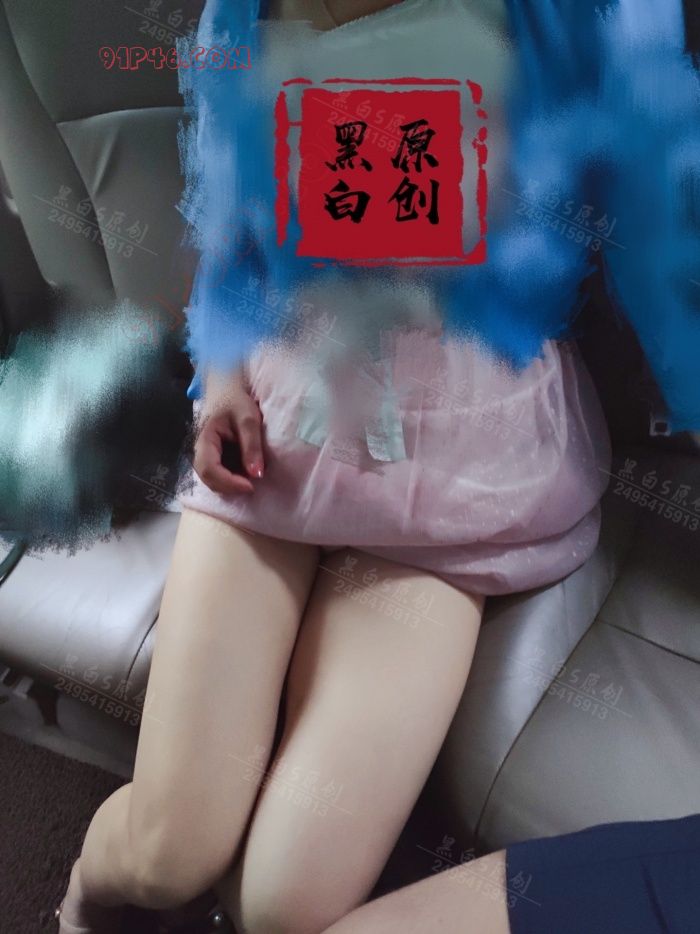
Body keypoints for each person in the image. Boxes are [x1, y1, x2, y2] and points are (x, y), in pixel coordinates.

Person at [56, 0, 696, 931]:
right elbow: (229, 223)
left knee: (284, 907)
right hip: (273, 441)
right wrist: (221, 376)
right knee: (167, 852)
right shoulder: (240, 17)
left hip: (454, 481)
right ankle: (83, 891)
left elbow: (662, 253)